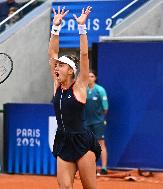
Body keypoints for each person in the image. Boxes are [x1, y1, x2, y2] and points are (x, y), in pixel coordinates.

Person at [49, 6, 101, 189]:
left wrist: (81, 28)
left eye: (61, 66)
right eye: (57, 66)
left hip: (82, 141)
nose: (57, 68)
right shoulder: (57, 85)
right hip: (63, 140)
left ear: (71, 70)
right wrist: (55, 29)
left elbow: (84, 55)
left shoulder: (79, 87)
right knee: (64, 187)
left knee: (90, 188)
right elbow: (52, 54)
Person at [85, 70, 109, 175]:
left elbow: (105, 108)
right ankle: (91, 168)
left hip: (98, 122)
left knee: (101, 144)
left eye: (92, 76)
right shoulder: (83, 90)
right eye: (88, 76)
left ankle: (104, 168)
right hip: (86, 122)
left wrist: (100, 118)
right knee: (88, 146)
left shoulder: (100, 90)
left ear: (95, 78)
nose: (90, 78)